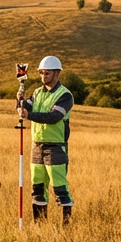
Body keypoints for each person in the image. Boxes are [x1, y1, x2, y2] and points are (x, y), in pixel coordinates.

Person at [18, 56, 73, 223]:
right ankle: (40, 226)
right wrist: (19, 100)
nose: (43, 76)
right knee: (37, 187)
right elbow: (23, 108)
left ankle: (67, 226)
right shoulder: (37, 93)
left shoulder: (65, 95)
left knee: (59, 188)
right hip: (36, 146)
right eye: (41, 73)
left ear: (57, 73)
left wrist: (30, 115)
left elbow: (54, 116)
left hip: (55, 147)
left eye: (47, 73)